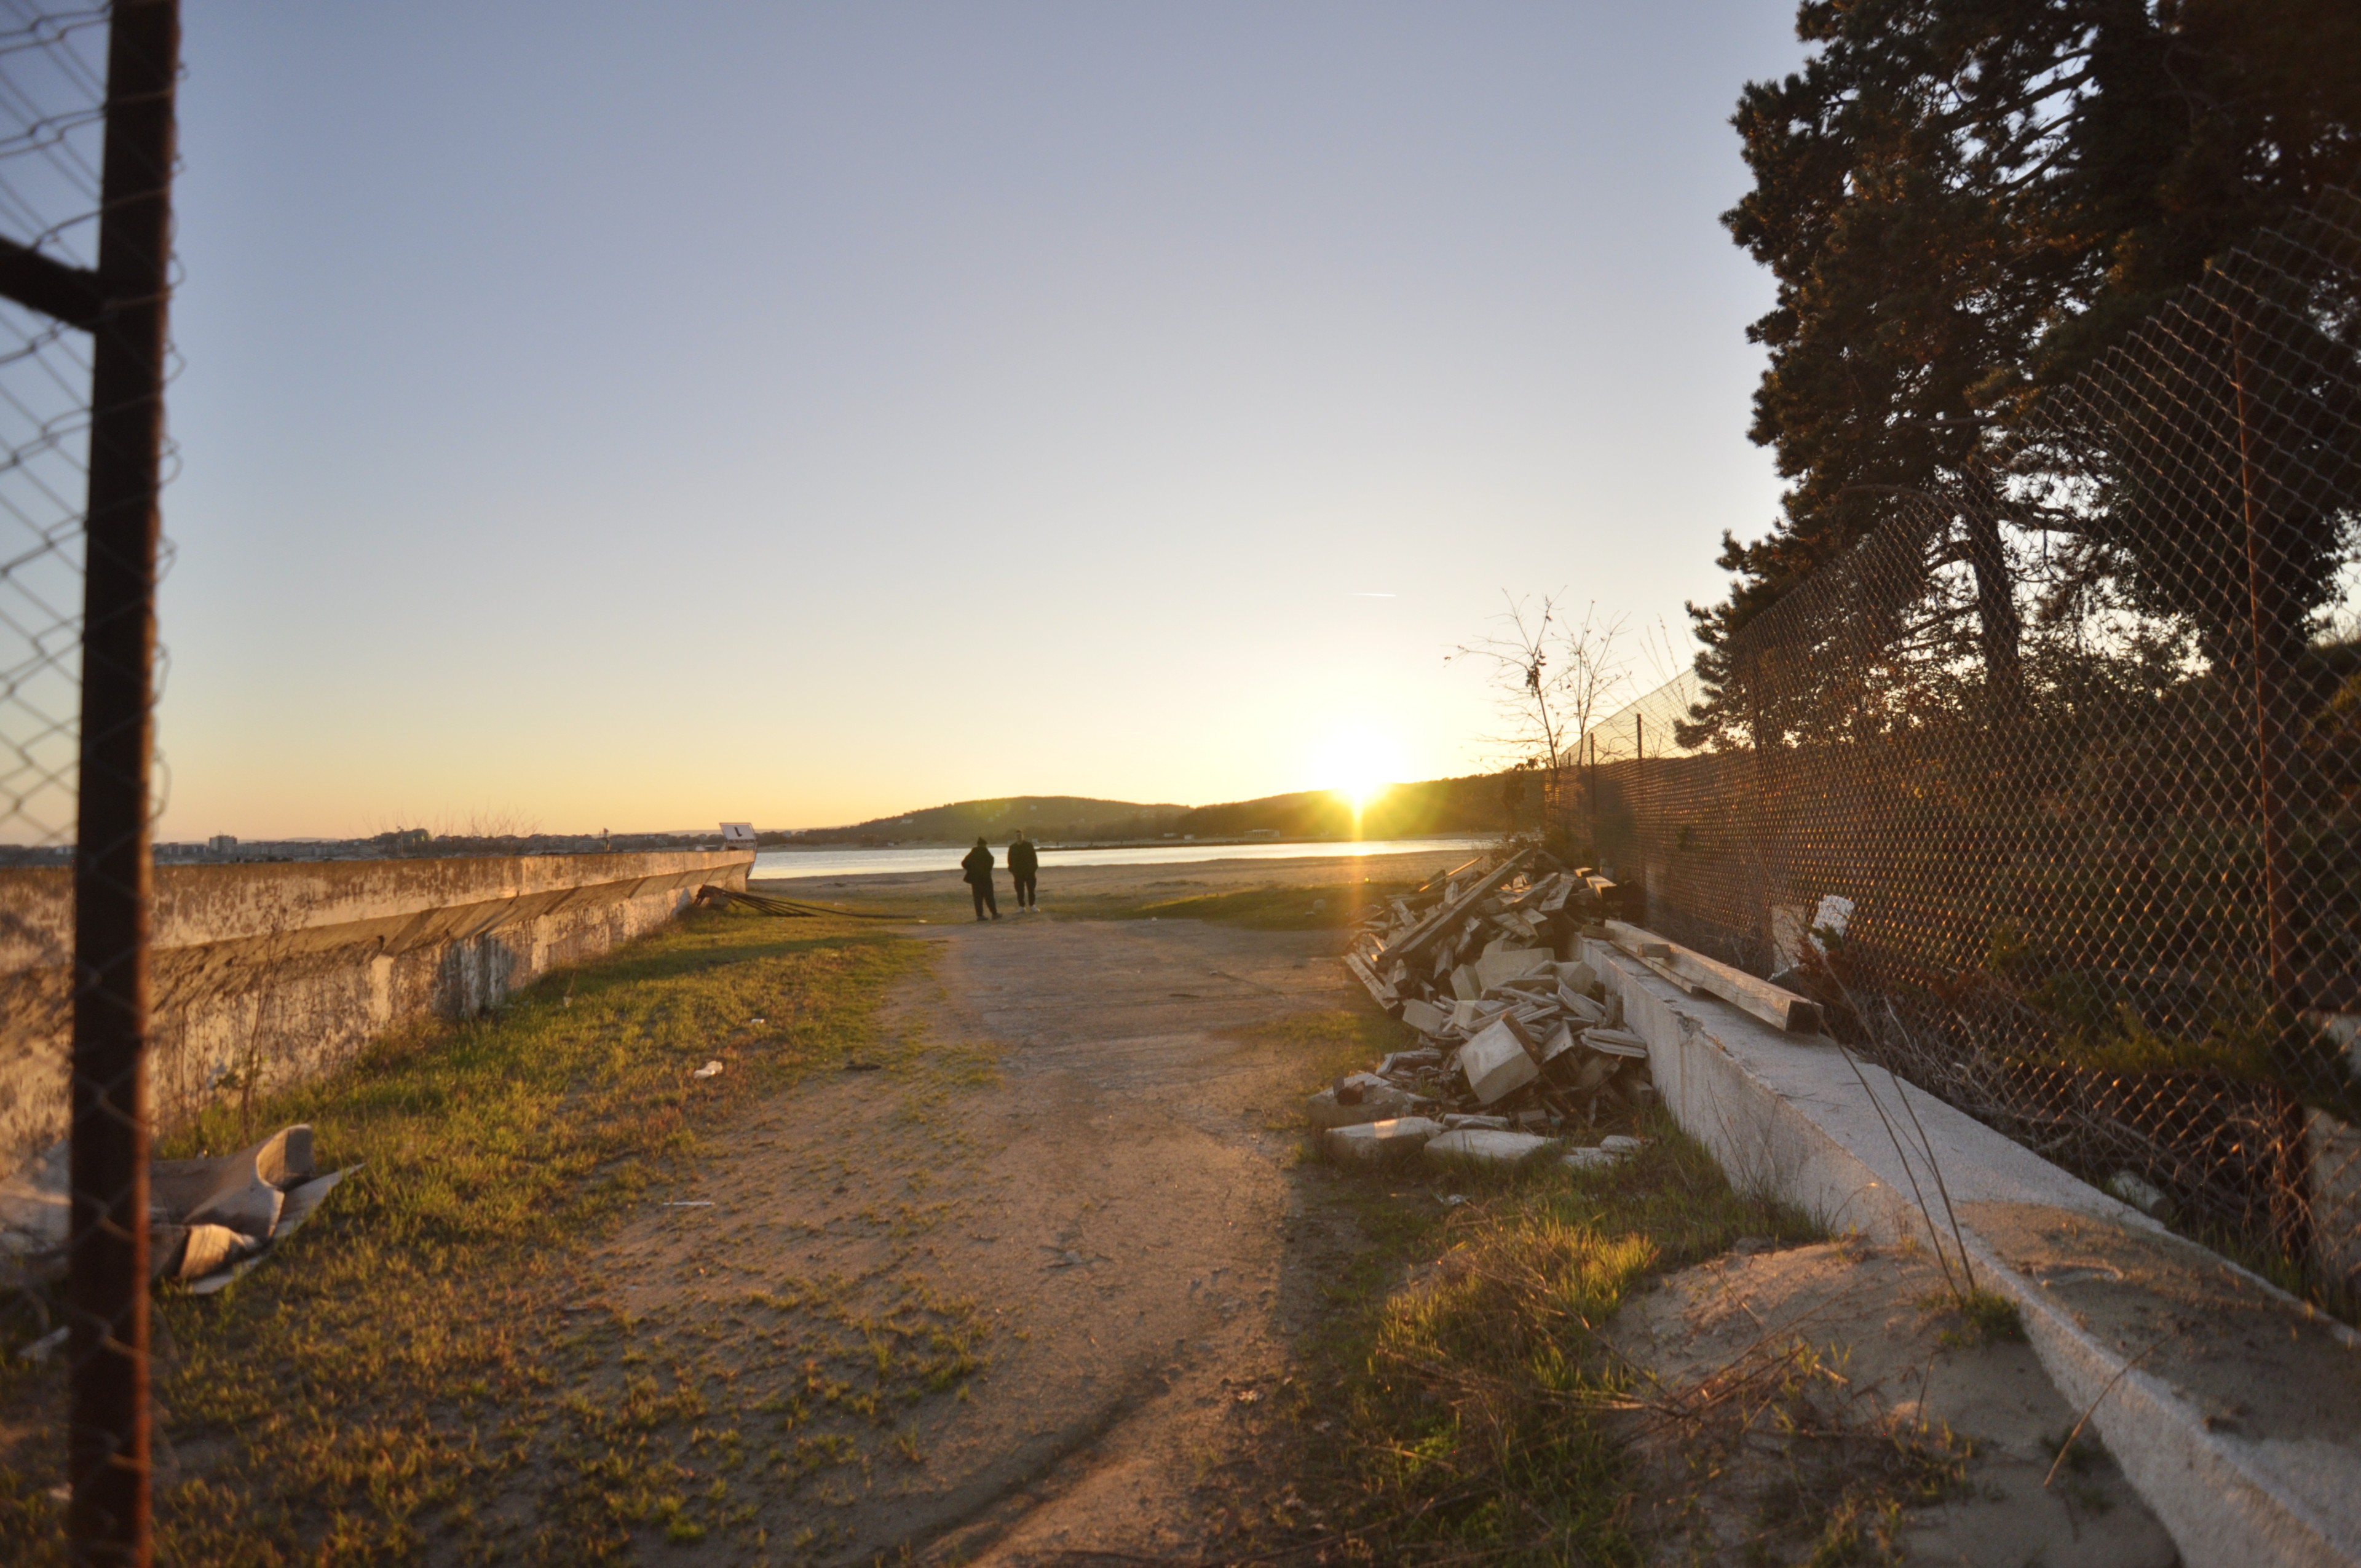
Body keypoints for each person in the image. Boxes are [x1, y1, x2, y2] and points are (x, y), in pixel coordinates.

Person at [961, 836, 1000, 921]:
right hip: (986, 879)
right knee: (989, 897)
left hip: (975, 879)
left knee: (978, 898)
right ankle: (994, 914)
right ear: (984, 845)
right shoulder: (986, 852)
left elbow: (964, 863)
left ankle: (980, 916)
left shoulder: (973, 853)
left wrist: (971, 870)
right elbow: (991, 861)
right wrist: (986, 870)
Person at [1009, 831, 1039, 910]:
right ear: (1015, 837)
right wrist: (1012, 870)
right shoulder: (1012, 848)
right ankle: (1021, 906)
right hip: (1018, 873)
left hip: (1029, 872)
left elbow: (1034, 858)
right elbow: (1010, 860)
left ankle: (1032, 905)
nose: (1019, 837)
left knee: (1031, 889)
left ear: (1023, 836)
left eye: (1020, 835)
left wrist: (1034, 869)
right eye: (1017, 836)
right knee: (1019, 891)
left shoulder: (1029, 846)